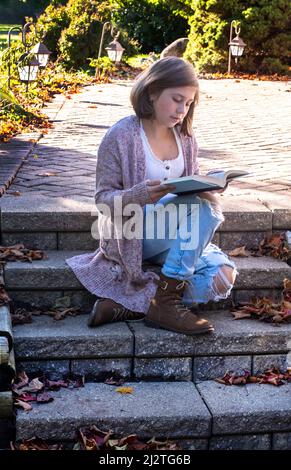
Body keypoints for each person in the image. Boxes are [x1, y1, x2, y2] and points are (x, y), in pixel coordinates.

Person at [66, 57, 237, 335]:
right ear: (152, 91)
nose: (182, 110)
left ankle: (132, 306)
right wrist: (140, 194)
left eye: (189, 103)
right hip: (133, 232)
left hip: (173, 237)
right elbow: (103, 200)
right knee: (206, 209)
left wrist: (208, 185)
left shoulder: (186, 138)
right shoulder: (121, 135)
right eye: (176, 99)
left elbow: (187, 190)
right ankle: (166, 305)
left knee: (222, 276)